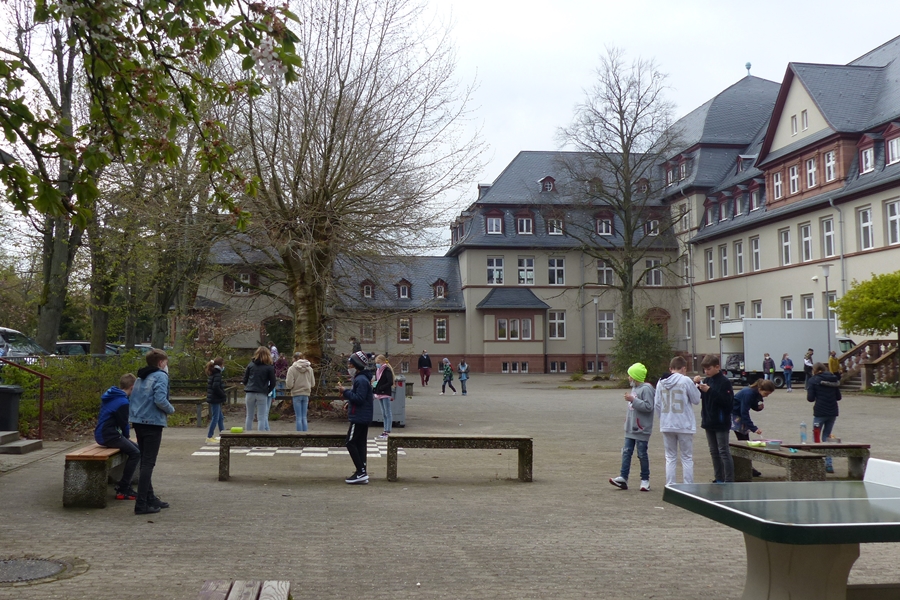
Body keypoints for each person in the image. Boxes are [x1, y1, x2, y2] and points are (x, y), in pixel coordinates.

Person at [128, 348, 175, 515]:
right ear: (161, 363)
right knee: (148, 463)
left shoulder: (141, 377)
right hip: (152, 422)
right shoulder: (161, 376)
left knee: (144, 461)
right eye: (166, 362)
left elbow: (134, 398)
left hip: (138, 421)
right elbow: (160, 399)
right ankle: (141, 504)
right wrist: (171, 410)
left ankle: (150, 497)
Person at [655, 356, 701, 486]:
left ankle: (671, 485)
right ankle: (688, 485)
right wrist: (696, 386)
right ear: (684, 368)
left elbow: (657, 404)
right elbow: (696, 400)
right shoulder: (685, 380)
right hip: (684, 423)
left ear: (670, 368)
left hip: (667, 423)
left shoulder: (661, 382)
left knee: (670, 457)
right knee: (686, 457)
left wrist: (662, 418)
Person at [609, 363, 655, 492]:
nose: (628, 378)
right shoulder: (634, 388)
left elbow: (649, 407)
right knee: (626, 452)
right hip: (630, 428)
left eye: (630, 375)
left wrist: (633, 400)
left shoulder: (646, 389)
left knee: (642, 454)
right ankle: (623, 478)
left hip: (641, 428)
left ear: (635, 377)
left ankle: (645, 480)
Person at [95, 373, 140, 501]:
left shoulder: (113, 395)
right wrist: (126, 437)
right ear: (132, 387)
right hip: (108, 435)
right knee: (136, 453)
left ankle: (125, 485)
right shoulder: (123, 402)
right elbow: (124, 424)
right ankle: (123, 489)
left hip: (103, 433)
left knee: (137, 449)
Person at [695, 354, 734, 483]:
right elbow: (702, 397)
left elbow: (727, 402)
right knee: (713, 451)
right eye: (704, 369)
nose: (706, 372)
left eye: (709, 369)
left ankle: (729, 480)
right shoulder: (707, 380)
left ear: (717, 367)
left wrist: (710, 391)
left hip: (721, 422)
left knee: (723, 451)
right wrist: (698, 386)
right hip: (708, 421)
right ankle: (718, 478)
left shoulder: (725, 382)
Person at [337, 351, 374, 484]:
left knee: (350, 442)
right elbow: (359, 397)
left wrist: (345, 392)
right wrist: (349, 402)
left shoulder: (361, 380)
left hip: (359, 417)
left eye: (351, 364)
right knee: (360, 443)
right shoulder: (362, 378)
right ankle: (362, 471)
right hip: (363, 415)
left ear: (356, 365)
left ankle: (361, 471)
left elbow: (359, 398)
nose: (349, 367)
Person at [732, 379, 775, 477]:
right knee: (744, 441)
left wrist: (758, 407)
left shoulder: (755, 393)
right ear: (760, 389)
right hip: (735, 415)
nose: (766, 396)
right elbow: (744, 412)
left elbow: (752, 405)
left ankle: (747, 466)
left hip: (739, 414)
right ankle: (746, 467)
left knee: (744, 440)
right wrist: (754, 428)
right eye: (766, 393)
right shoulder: (748, 393)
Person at [807, 362, 842, 474]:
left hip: (820, 411)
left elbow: (810, 398)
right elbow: (838, 397)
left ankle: (816, 463)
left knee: (816, 437)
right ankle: (829, 464)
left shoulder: (813, 380)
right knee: (827, 437)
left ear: (814, 370)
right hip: (833, 411)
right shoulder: (833, 378)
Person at [243, 346, 276, 431]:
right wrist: (267, 390)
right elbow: (273, 382)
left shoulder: (251, 365)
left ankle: (248, 435)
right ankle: (260, 435)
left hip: (250, 392)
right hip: (262, 392)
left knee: (249, 416)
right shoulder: (269, 367)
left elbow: (245, 380)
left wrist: (248, 386)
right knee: (261, 417)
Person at [285, 351, 315, 432]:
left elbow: (289, 384)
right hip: (306, 393)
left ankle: (299, 436)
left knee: (298, 417)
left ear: (294, 359)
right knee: (304, 417)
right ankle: (305, 435)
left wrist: (292, 386)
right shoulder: (309, 369)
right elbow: (313, 384)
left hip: (296, 393)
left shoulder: (292, 369)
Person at [205, 357, 227, 444]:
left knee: (220, 417)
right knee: (215, 418)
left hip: (214, 398)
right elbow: (216, 387)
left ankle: (223, 434)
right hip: (215, 399)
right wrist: (223, 395)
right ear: (220, 365)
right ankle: (209, 436)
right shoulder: (217, 374)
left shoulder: (213, 373)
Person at [373, 354, 394, 440]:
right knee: (384, 413)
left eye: (378, 362)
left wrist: (381, 387)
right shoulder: (378, 370)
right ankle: (385, 430)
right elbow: (378, 380)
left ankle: (388, 430)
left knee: (387, 412)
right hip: (379, 393)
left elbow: (390, 382)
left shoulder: (386, 370)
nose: (377, 364)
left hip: (385, 393)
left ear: (382, 362)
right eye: (376, 362)